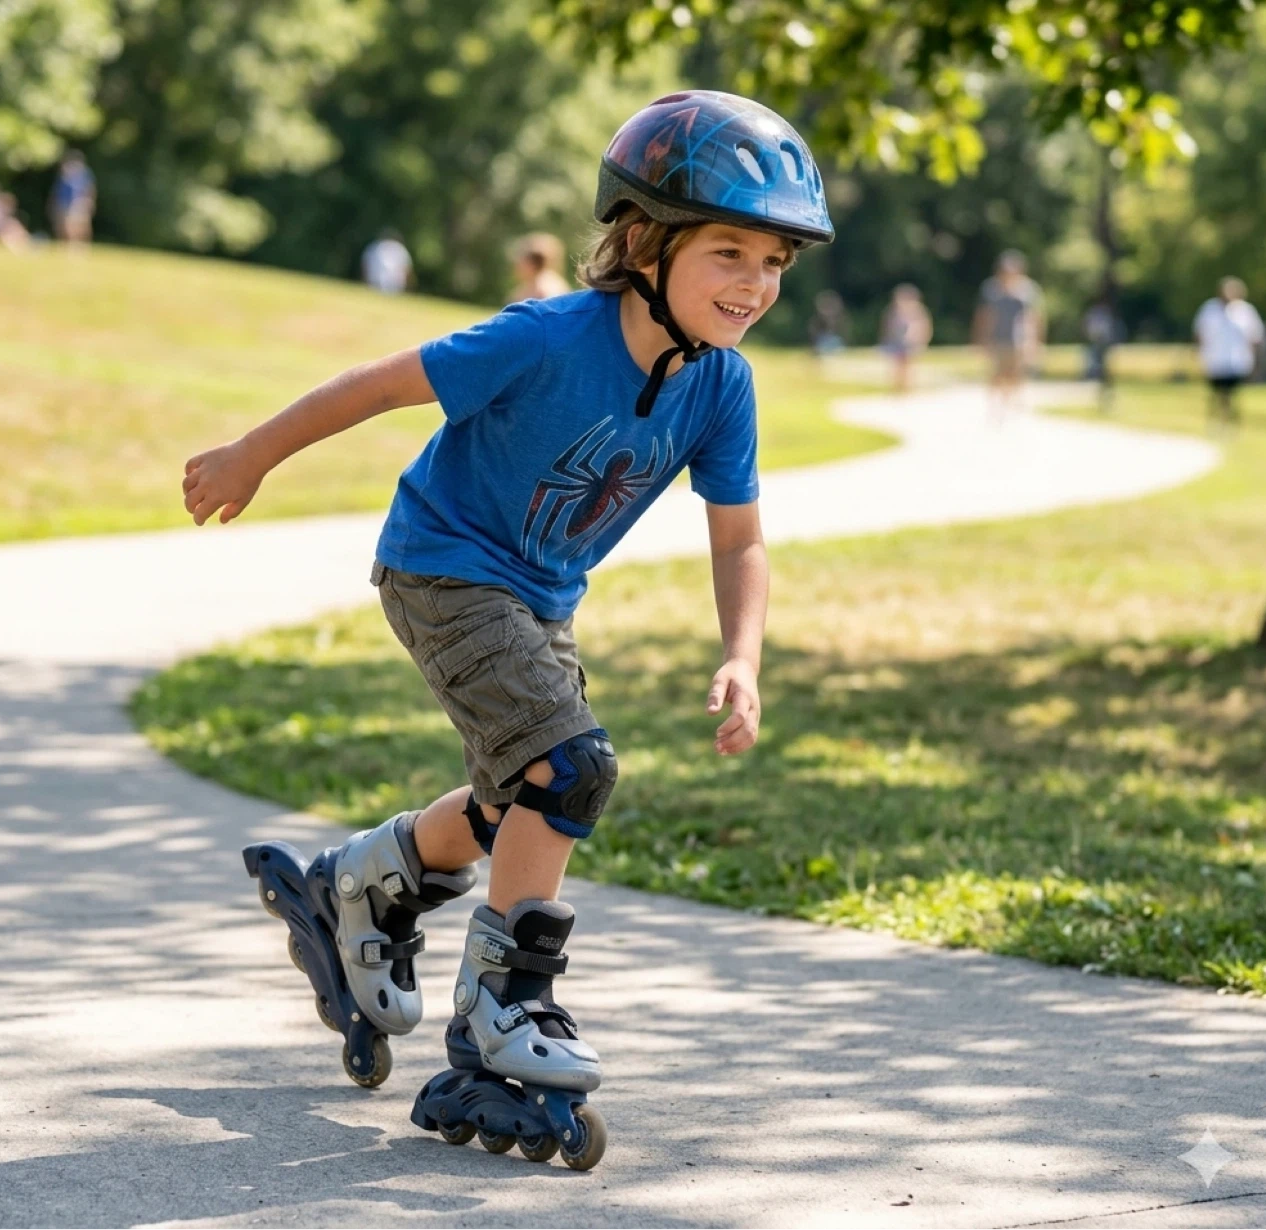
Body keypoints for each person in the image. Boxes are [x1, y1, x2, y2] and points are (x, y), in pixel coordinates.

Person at [188, 90, 834, 1170]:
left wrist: (743, 654)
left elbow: (740, 541)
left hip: (540, 598)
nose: (756, 284)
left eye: (775, 262)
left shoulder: (722, 387)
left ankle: (365, 883)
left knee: (514, 802)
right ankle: (505, 1008)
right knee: (569, 770)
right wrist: (252, 454)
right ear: (645, 241)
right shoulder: (547, 335)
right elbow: (380, 386)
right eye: (730, 252)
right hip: (442, 566)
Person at [973, 249, 1045, 419]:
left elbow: (1034, 317)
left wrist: (1035, 340)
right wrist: (980, 338)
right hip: (997, 338)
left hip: (1020, 339)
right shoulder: (991, 289)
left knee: (1016, 372)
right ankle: (995, 405)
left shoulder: (1028, 290)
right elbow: (984, 315)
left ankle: (1011, 401)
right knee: (996, 372)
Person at [1194, 277, 1264, 426]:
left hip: (1237, 360)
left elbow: (1254, 336)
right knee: (1217, 392)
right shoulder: (1210, 309)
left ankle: (1230, 419)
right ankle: (1216, 419)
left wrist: (1255, 359)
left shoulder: (1245, 311)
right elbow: (1200, 333)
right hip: (1215, 359)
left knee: (1232, 393)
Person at [878, 283, 933, 393]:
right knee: (897, 364)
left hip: (910, 342)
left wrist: (922, 339)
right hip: (896, 342)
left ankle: (907, 386)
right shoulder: (892, 311)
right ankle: (898, 386)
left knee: (908, 364)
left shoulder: (918, 311)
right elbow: (887, 327)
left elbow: (924, 327)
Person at [1082, 296, 1124, 413]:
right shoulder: (1096, 313)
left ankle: (1106, 394)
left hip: (1105, 344)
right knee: (1099, 369)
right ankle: (1102, 394)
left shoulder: (1106, 313)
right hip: (1097, 344)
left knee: (1106, 371)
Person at [507, 232, 571, 302]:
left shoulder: (547, 290)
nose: (516, 265)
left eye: (520, 260)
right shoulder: (528, 287)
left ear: (532, 263)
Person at [50, 150, 96, 246]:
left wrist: (89, 202)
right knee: (64, 225)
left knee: (80, 225)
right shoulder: (64, 175)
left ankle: (81, 245)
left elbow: (89, 189)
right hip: (64, 203)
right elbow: (57, 191)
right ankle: (68, 244)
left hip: (79, 203)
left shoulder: (85, 174)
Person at [361, 229, 414, 294]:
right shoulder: (400, 249)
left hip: (375, 283)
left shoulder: (373, 247)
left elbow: (365, 266)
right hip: (395, 286)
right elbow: (407, 270)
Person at [807, 289, 848, 355]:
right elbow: (813, 336)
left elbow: (844, 335)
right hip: (822, 343)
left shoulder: (840, 319)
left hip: (835, 343)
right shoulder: (816, 321)